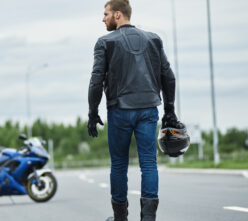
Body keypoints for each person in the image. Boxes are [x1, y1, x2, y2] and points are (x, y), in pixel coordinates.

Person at [87, 0, 181, 220]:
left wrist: (93, 113)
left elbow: (96, 81)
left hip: (119, 110)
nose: (103, 18)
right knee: (148, 163)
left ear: (118, 15)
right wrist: (169, 110)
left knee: (119, 164)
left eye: (106, 14)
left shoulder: (104, 42)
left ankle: (120, 217)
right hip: (148, 109)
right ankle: (148, 217)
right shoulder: (153, 39)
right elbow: (168, 77)